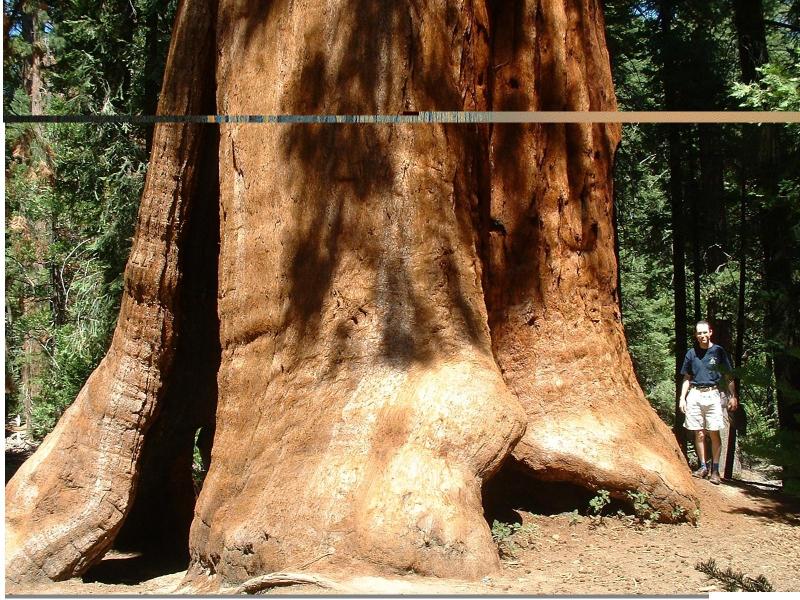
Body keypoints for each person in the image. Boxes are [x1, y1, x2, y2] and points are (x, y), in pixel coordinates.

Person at [679, 320, 738, 484]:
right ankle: (703, 466)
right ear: (696, 335)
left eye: (705, 332)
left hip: (713, 394)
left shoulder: (718, 351)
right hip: (695, 394)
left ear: (710, 332)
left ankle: (715, 470)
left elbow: (728, 376)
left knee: (713, 432)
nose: (702, 336)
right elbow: (687, 377)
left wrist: (733, 395)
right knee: (698, 433)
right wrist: (682, 398)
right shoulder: (691, 353)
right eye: (699, 333)